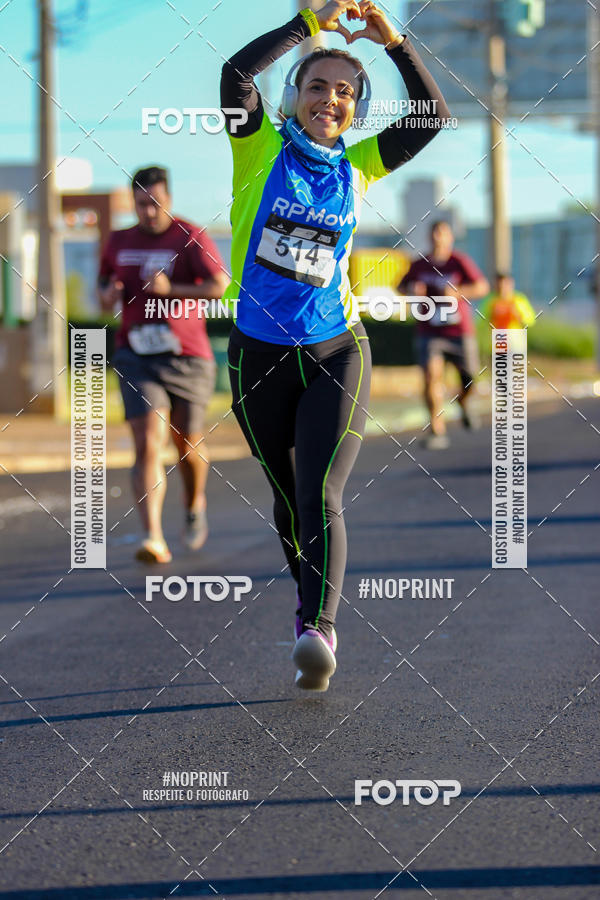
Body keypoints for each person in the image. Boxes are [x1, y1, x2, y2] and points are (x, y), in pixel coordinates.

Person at [221, 0, 450, 690]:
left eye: (346, 91)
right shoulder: (256, 145)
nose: (331, 99)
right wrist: (307, 25)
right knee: (288, 498)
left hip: (336, 350)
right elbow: (236, 75)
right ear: (293, 97)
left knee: (321, 491)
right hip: (256, 355)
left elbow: (431, 118)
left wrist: (393, 39)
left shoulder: (359, 166)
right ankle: (307, 606)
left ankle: (320, 627)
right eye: (317, 85)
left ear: (356, 109)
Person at [98, 165, 229, 563]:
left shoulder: (190, 236)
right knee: (147, 441)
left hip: (187, 354)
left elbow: (219, 286)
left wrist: (173, 290)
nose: (149, 212)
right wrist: (109, 294)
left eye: (155, 204)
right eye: (141, 204)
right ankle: (152, 536)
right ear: (133, 203)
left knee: (187, 443)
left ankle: (194, 504)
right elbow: (103, 289)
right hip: (136, 354)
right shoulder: (118, 240)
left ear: (168, 200)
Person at [399, 220, 489, 449]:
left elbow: (482, 287)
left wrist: (459, 292)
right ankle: (437, 429)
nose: (438, 237)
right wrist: (412, 290)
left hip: (458, 330)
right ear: (430, 237)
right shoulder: (419, 264)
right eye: (435, 233)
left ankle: (463, 400)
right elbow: (400, 286)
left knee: (470, 379)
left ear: (450, 237)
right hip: (429, 330)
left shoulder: (459, 262)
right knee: (431, 377)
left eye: (443, 233)